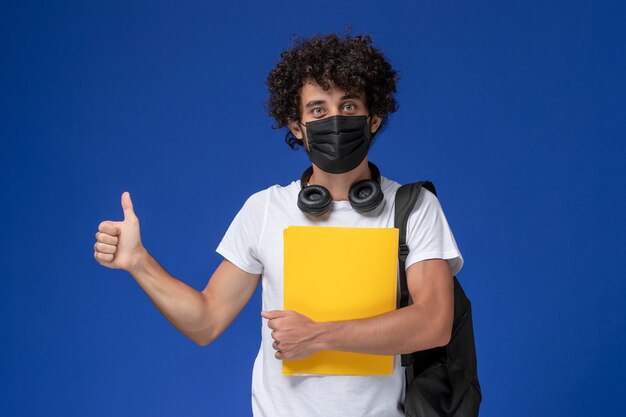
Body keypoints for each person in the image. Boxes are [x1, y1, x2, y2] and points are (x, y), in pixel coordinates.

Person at [93, 34, 464, 417]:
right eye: (318, 110)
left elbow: (434, 322)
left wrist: (319, 336)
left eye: (348, 105)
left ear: (373, 119)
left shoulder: (415, 208)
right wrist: (139, 261)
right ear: (297, 126)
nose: (334, 120)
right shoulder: (265, 209)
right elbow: (205, 321)